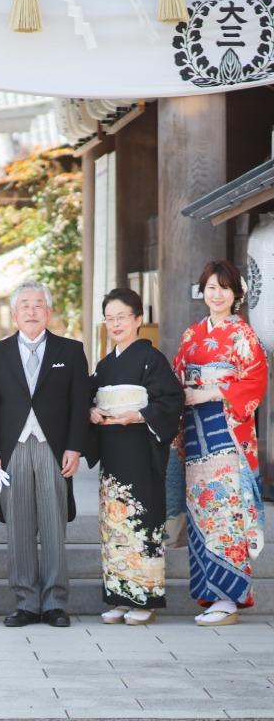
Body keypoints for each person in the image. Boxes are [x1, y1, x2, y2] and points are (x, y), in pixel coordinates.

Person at [0, 280, 89, 628]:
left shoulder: (70, 351)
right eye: (24, 305)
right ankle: (26, 601)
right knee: (19, 526)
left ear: (48, 311)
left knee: (54, 524)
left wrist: (74, 446)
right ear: (14, 313)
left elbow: (79, 405)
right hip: (13, 449)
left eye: (38, 304)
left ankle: (55, 602)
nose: (31, 310)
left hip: (53, 449)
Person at [170, 260, 267, 626]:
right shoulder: (191, 335)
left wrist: (213, 390)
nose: (216, 294)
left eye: (223, 288)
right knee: (200, 512)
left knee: (225, 512)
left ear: (235, 294)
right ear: (203, 292)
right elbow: (177, 376)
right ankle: (209, 593)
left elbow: (255, 382)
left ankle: (231, 597)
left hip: (227, 435)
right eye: (210, 287)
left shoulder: (244, 336)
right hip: (195, 436)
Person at [87, 288, 184, 625]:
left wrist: (140, 415)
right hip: (113, 456)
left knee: (141, 523)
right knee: (115, 526)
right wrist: (93, 412)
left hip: (141, 453)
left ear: (138, 320)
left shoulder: (151, 359)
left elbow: (172, 400)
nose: (115, 324)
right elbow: (90, 397)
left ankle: (144, 597)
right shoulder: (103, 365)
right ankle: (118, 596)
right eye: (109, 318)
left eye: (122, 317)